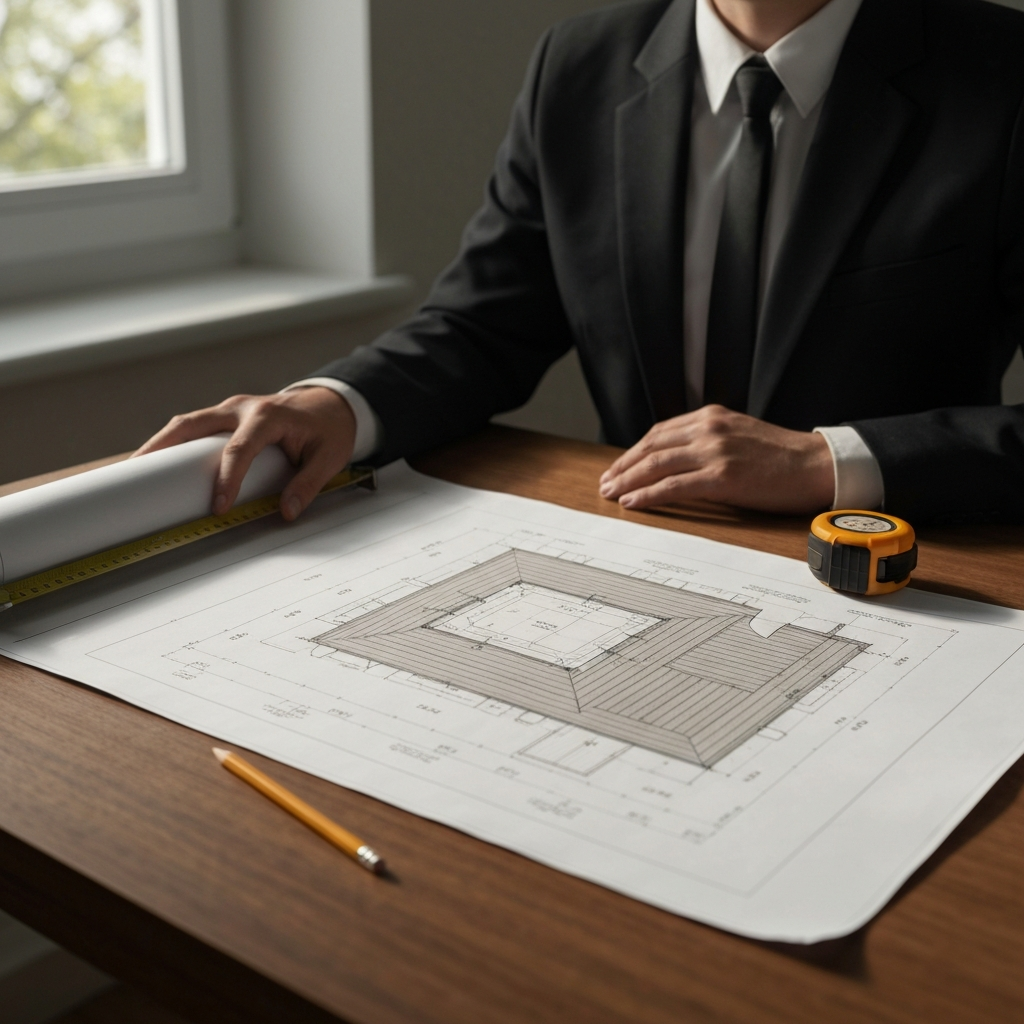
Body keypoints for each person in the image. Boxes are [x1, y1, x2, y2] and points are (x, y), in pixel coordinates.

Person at [138, 0, 1024, 525]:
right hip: (640, 543)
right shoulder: (579, 64)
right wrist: (334, 403)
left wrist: (826, 461)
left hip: (911, 572)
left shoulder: (1004, 71)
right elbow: (483, 325)